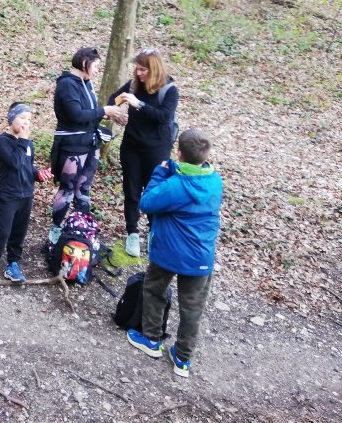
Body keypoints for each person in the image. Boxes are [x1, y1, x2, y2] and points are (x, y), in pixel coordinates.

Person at [126, 128, 223, 378]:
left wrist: (160, 172)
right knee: (192, 308)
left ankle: (151, 339)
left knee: (154, 290)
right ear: (205, 156)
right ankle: (182, 358)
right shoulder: (215, 181)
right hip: (200, 257)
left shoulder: (175, 185)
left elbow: (147, 202)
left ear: (179, 154)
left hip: (168, 252)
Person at [48, 47, 125, 247]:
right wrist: (104, 110)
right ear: (84, 64)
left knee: (83, 189)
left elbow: (88, 113)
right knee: (67, 189)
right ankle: (55, 229)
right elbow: (76, 115)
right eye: (96, 66)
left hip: (91, 143)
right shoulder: (67, 84)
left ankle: (82, 230)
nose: (98, 70)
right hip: (72, 146)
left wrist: (107, 114)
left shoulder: (86, 83)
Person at [108, 48, 179, 257]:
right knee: (131, 191)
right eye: (137, 69)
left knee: (153, 192)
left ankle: (154, 231)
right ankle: (132, 233)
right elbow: (113, 99)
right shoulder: (133, 85)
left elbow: (164, 116)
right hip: (131, 147)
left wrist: (138, 104)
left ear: (154, 69)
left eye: (143, 70)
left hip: (156, 150)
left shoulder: (169, 90)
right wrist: (117, 113)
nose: (138, 73)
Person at [0, 103, 52, 284]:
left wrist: (38, 175)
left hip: (26, 194)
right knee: (3, 232)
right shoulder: (2, 142)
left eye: (29, 120)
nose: (26, 123)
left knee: (19, 232)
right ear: (11, 118)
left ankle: (12, 264)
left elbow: (27, 167)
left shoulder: (29, 144)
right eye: (22, 118)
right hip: (9, 194)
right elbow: (14, 163)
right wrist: (23, 141)